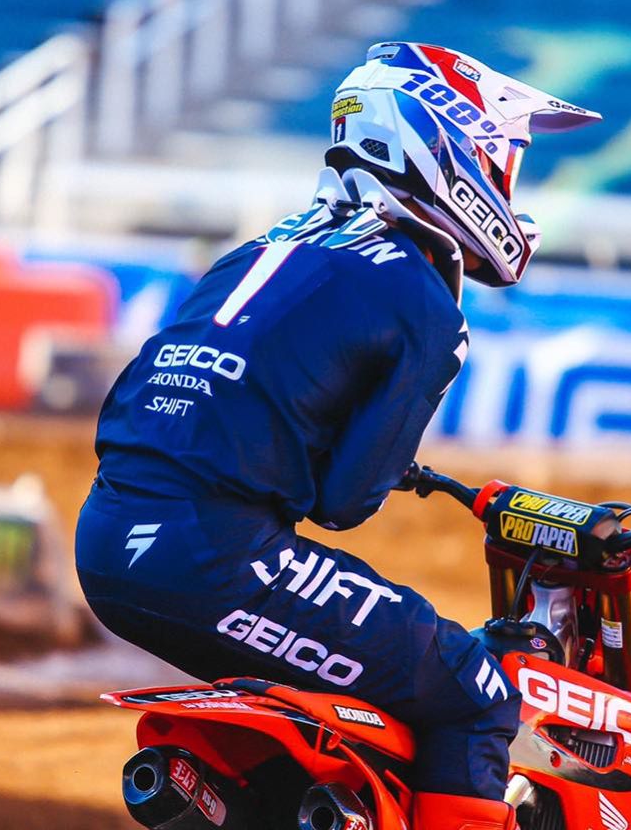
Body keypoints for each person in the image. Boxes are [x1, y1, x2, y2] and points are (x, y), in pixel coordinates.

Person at [75, 42, 600, 830]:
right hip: (214, 557)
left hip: (107, 542)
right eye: (500, 160)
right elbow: (345, 501)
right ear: (447, 147)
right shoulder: (423, 296)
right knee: (474, 691)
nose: (503, 184)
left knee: (339, 726)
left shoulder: (259, 248)